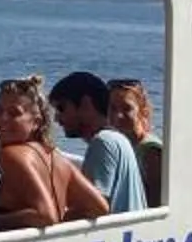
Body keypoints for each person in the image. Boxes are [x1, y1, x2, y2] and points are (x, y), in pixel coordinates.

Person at [0, 75, 110, 231]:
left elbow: (45, 216)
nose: (2, 118)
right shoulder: (57, 158)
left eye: (14, 113)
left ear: (36, 122)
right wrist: (62, 222)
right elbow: (98, 207)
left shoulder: (11, 155)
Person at [51, 70, 147, 212]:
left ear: (85, 104)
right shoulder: (118, 139)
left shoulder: (102, 143)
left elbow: (93, 209)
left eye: (61, 108)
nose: (57, 118)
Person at [107, 77, 165, 206]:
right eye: (113, 108)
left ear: (142, 110)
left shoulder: (150, 151)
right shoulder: (123, 145)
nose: (118, 115)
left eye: (127, 108)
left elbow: (156, 205)